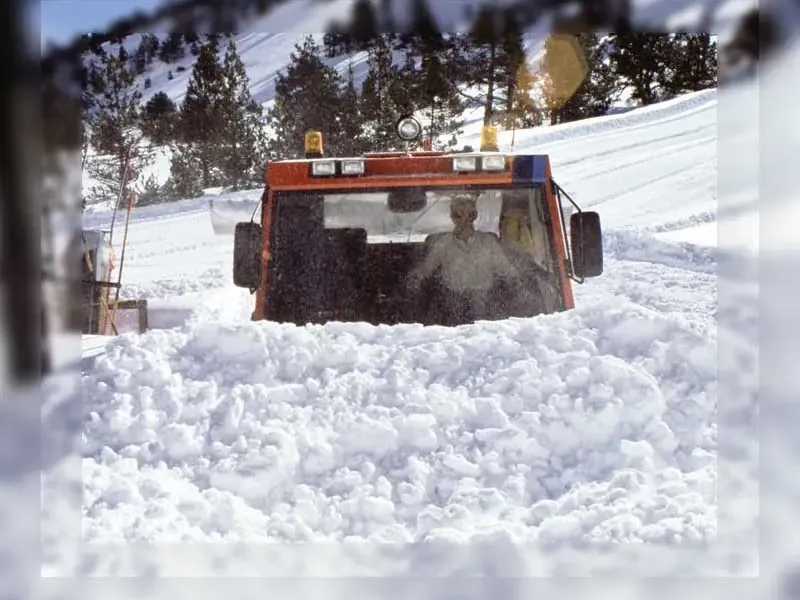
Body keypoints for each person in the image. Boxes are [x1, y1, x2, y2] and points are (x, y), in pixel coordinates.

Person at [406, 194, 522, 323]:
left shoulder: (488, 242)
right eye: (458, 215)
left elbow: (505, 268)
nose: (465, 220)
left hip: (483, 303)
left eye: (471, 215)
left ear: (475, 216)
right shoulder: (443, 243)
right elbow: (427, 267)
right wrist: (415, 278)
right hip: (453, 302)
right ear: (452, 217)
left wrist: (515, 281)